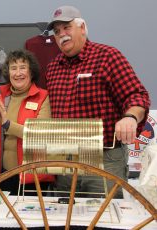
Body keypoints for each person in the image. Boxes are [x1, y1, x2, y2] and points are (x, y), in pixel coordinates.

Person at [45, 6, 150, 198]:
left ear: (82, 27)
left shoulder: (108, 56)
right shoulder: (52, 68)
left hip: (104, 158)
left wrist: (130, 117)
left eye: (67, 27)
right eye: (57, 31)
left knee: (106, 216)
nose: (61, 35)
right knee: (65, 218)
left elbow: (137, 95)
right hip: (64, 158)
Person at [0, 49, 54, 195]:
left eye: (22, 67)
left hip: (33, 177)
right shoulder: (3, 97)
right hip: (5, 174)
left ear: (31, 72)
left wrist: (8, 124)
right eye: (13, 68)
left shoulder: (43, 97)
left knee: (29, 217)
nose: (18, 73)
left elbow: (40, 135)